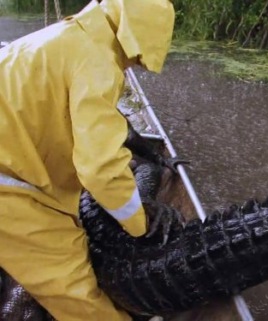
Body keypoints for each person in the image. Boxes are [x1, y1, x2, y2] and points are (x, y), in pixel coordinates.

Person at [0, 0, 176, 320]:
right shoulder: (97, 62)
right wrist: (139, 223)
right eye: (136, 59)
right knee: (75, 291)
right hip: (7, 187)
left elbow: (98, 127)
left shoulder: (69, 37)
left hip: (14, 160)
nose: (133, 66)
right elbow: (100, 170)